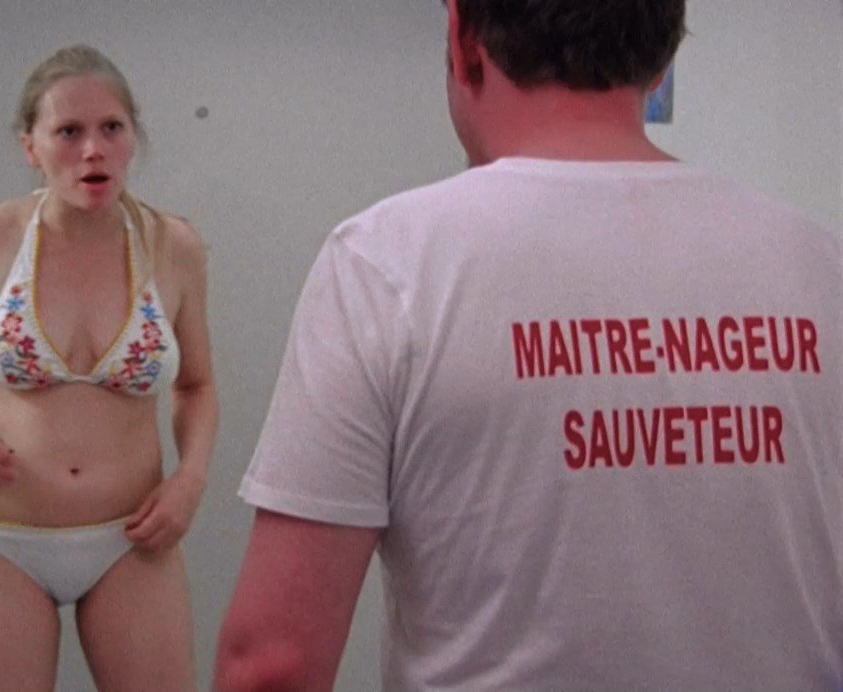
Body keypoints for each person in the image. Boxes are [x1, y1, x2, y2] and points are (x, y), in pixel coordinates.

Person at [215, 1, 842, 690]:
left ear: (462, 36)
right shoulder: (818, 266)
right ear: (663, 56)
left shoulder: (386, 266)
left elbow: (275, 666)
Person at [0, 44, 217, 692]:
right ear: (31, 147)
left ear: (133, 136)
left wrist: (191, 479)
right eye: (68, 132)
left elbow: (198, 385)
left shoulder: (173, 246)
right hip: (1, 542)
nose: (93, 150)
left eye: (111, 128)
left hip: (131, 540)